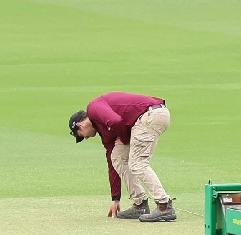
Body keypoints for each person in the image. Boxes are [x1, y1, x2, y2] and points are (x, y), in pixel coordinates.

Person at [69, 91, 175, 222]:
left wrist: (124, 139)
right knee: (117, 156)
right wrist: (115, 198)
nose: (85, 138)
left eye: (80, 135)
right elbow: (111, 162)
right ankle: (139, 204)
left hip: (151, 115)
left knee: (138, 163)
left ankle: (164, 206)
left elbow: (116, 121)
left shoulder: (93, 108)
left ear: (80, 125)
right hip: (147, 118)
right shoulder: (104, 132)